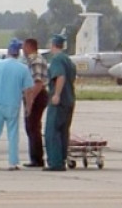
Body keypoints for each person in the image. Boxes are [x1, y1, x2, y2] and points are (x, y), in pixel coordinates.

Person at [0, 40, 33, 170]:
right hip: (13, 104)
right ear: (18, 53)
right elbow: (28, 90)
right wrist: (28, 106)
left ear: (8, 51)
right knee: (13, 134)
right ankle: (13, 162)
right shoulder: (23, 68)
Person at [44, 34, 77, 171]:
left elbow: (60, 76)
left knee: (52, 131)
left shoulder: (57, 59)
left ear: (53, 44)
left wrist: (56, 94)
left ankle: (55, 162)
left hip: (59, 101)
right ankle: (61, 159)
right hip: (69, 99)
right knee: (64, 131)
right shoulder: (68, 60)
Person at [22, 38, 49, 168]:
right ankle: (36, 157)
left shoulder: (35, 61)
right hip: (36, 95)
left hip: (37, 96)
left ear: (29, 47)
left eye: (24, 47)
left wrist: (30, 101)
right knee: (32, 127)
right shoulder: (35, 60)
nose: (23, 50)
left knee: (32, 127)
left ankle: (37, 159)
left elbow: (38, 83)